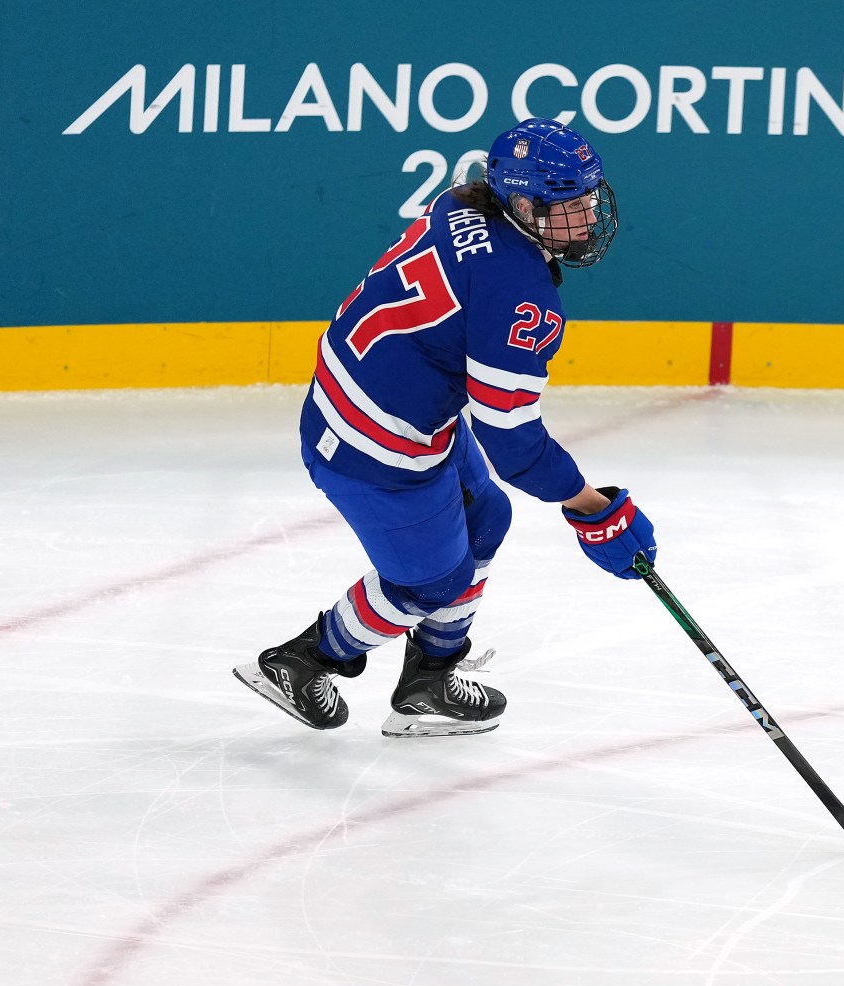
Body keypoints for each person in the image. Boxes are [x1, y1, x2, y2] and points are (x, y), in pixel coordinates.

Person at [234, 118, 656, 738]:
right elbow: (512, 441)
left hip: (373, 405)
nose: (587, 217)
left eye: (589, 197)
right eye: (566, 205)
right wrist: (594, 510)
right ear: (520, 202)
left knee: (488, 516)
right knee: (432, 583)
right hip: (376, 447)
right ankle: (305, 660)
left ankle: (430, 677)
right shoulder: (521, 296)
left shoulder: (461, 200)